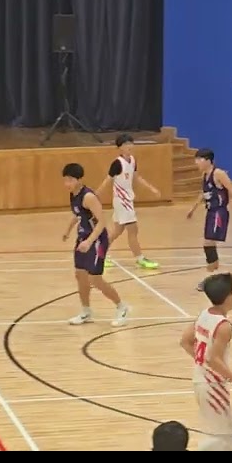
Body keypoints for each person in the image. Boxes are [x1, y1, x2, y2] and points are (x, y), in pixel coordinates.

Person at [180, 271, 232, 451]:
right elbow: (213, 359)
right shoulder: (223, 326)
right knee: (224, 435)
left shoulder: (204, 314)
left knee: (227, 432)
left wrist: (200, 361)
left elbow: (185, 341)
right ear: (228, 296)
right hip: (212, 385)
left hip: (201, 380)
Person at [61, 163, 131, 326]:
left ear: (79, 179)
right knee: (80, 275)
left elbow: (102, 222)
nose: (67, 184)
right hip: (83, 237)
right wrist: (68, 230)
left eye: (70, 180)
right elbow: (77, 214)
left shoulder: (89, 197)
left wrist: (89, 241)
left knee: (95, 278)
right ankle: (86, 311)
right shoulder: (73, 194)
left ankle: (122, 307)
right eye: (65, 180)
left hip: (97, 240)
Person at [99, 133, 161, 270]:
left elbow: (137, 178)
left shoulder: (132, 160)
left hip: (128, 199)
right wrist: (95, 196)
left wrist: (152, 189)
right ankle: (140, 258)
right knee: (133, 229)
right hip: (121, 201)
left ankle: (99, 255)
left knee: (117, 231)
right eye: (125, 144)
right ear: (119, 147)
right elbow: (107, 181)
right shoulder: (117, 163)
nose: (129, 146)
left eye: (130, 143)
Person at [187, 149, 232, 292]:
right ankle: (216, 275)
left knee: (209, 242)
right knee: (209, 244)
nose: (196, 162)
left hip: (219, 212)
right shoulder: (205, 175)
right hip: (210, 211)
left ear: (208, 160)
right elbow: (203, 193)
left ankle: (210, 277)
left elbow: (231, 189)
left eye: (199, 159)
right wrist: (192, 209)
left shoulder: (218, 174)